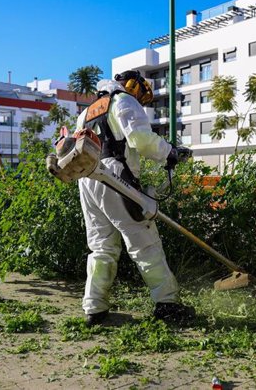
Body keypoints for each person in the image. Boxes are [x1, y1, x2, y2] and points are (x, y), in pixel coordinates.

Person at [75, 70, 194, 326]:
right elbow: (140, 139)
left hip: (88, 178)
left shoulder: (87, 113)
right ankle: (167, 304)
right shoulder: (123, 100)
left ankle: (94, 309)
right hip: (115, 176)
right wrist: (170, 153)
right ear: (130, 84)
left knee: (101, 247)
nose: (141, 98)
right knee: (144, 241)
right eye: (141, 91)